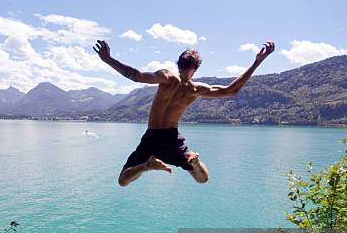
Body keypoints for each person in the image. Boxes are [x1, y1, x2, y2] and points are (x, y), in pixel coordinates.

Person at [93, 40, 275, 186]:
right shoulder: (196, 89)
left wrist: (108, 59)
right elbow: (231, 90)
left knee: (123, 180)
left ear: (178, 64)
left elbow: (136, 75)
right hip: (172, 138)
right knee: (202, 178)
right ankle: (194, 162)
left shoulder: (167, 77)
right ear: (196, 68)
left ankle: (146, 166)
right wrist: (257, 62)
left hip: (152, 136)